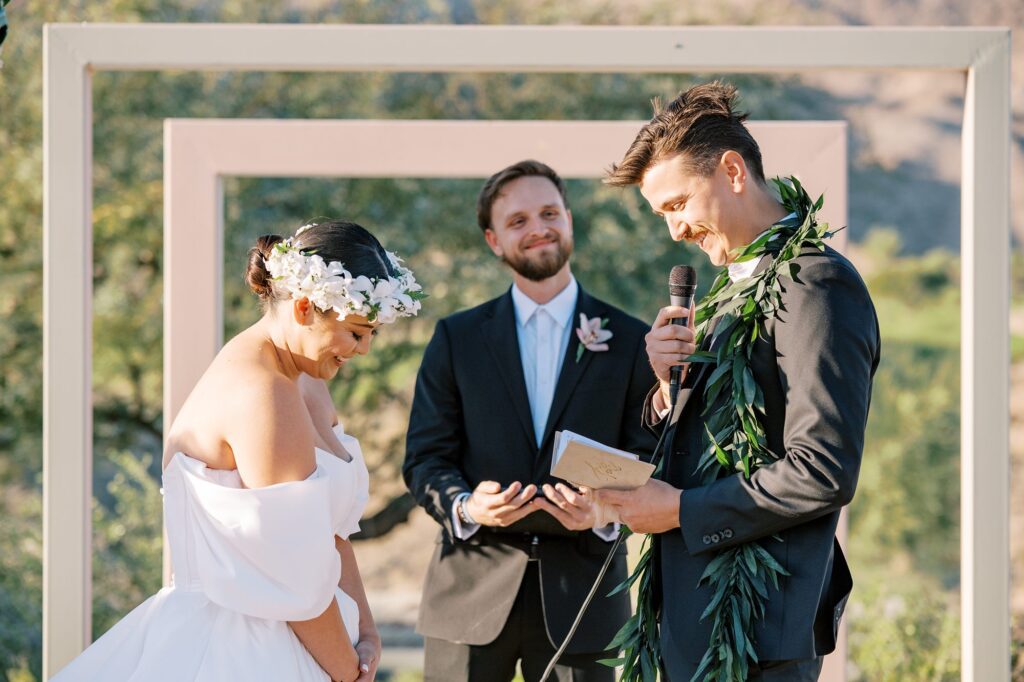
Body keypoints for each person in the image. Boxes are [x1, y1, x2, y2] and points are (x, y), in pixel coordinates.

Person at [52, 220, 424, 682]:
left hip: (316, 640)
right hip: (243, 651)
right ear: (304, 307)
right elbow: (295, 576)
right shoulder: (262, 394)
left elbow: (329, 536)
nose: (364, 349)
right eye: (355, 332)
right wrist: (348, 672)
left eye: (373, 334)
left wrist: (366, 633)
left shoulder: (304, 379)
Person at [596, 82, 881, 681]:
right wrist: (667, 388)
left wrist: (680, 509)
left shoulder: (816, 286)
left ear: (731, 171)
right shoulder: (732, 291)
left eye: (678, 204)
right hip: (690, 620)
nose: (674, 231)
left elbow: (823, 470)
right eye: (662, 214)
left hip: (757, 632)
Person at [403, 160, 657, 682]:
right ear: (494, 240)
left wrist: (603, 510)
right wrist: (467, 505)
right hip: (468, 595)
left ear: (569, 220)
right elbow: (426, 458)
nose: (538, 228)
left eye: (549, 213)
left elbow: (645, 456)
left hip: (584, 602)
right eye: (518, 221)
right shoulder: (456, 339)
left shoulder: (632, 339)